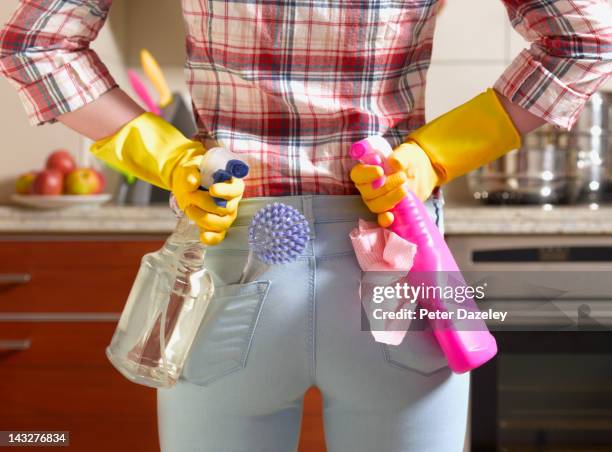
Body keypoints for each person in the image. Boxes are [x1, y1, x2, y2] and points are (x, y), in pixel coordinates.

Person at [1, 1, 610, 450]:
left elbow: (35, 44)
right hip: (394, 257)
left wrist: (172, 157)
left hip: (230, 262)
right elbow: (584, 42)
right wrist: (431, 155)